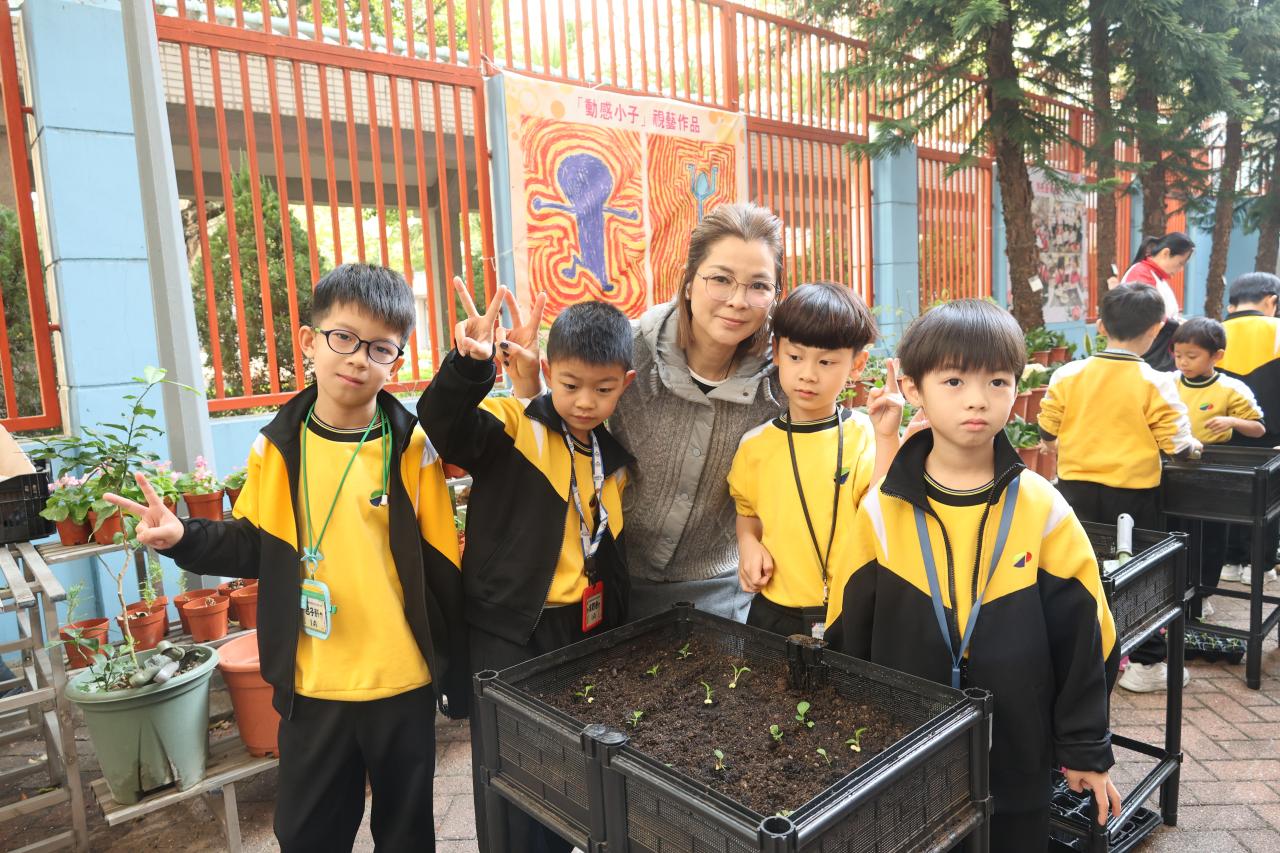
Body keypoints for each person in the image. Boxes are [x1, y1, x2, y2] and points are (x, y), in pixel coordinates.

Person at [106, 264, 469, 852]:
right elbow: (255, 542)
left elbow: (443, 562)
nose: (358, 359)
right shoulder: (277, 448)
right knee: (306, 833)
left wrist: (454, 662)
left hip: (402, 681)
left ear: (395, 361)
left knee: (406, 834)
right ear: (309, 341)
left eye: (380, 348)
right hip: (312, 682)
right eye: (344, 337)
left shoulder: (411, 447)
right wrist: (183, 536)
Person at [824, 300, 1122, 853]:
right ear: (913, 389)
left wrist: (1085, 749)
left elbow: (1088, 636)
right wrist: (849, 742)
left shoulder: (1042, 507)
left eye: (998, 381)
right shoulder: (881, 513)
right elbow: (847, 636)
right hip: (905, 757)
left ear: (1017, 388)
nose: (978, 399)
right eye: (954, 381)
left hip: (1018, 758)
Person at [418, 292, 635, 853]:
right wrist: (470, 364)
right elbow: (443, 425)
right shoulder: (514, 424)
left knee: (570, 774)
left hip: (581, 633)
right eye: (570, 384)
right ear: (548, 370)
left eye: (603, 389)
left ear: (625, 384)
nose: (584, 401)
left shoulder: (611, 459)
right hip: (510, 634)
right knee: (511, 776)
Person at [499, 203, 788, 621]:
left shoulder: (781, 379)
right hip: (612, 578)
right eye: (721, 279)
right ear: (688, 283)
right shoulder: (629, 351)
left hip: (723, 592)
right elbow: (566, 430)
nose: (738, 301)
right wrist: (528, 386)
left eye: (759, 285)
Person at [1038, 283, 1199, 693]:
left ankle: (1080, 653)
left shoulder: (1068, 374)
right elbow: (1177, 445)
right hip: (1134, 496)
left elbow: (1047, 430)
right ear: (1157, 329)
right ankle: (1146, 662)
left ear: (1100, 325)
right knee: (1141, 575)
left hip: (1074, 490)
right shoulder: (1155, 381)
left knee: (1079, 569)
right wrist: (1194, 448)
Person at [727, 282, 903, 637]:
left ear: (857, 364)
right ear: (777, 352)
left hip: (852, 611)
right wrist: (748, 543)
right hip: (772, 612)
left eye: (826, 362)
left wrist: (887, 438)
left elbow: (884, 513)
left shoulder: (866, 436)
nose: (808, 373)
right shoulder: (755, 445)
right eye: (795, 357)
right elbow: (748, 511)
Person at [1169, 317, 1264, 618]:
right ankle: (1173, 593)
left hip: (1212, 468)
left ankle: (1203, 593)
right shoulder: (1168, 383)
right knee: (1174, 530)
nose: (1183, 362)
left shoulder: (1231, 388)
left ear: (1217, 356)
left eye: (1192, 356)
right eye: (1178, 354)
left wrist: (1232, 421)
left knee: (1210, 535)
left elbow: (1259, 428)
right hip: (1174, 465)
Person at [1218, 272, 1280, 586]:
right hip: (1271, 437)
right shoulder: (1277, 330)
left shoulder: (1212, 332)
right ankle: (1261, 566)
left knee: (1228, 496)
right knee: (1268, 502)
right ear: (1271, 300)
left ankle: (1229, 561)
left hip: (1222, 435)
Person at [1119, 232, 1195, 371]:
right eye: (1180, 263)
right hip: (1150, 354)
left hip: (1157, 352)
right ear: (1166, 253)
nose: (1180, 269)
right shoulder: (1141, 273)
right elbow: (1147, 314)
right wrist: (1178, 325)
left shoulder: (1155, 276)